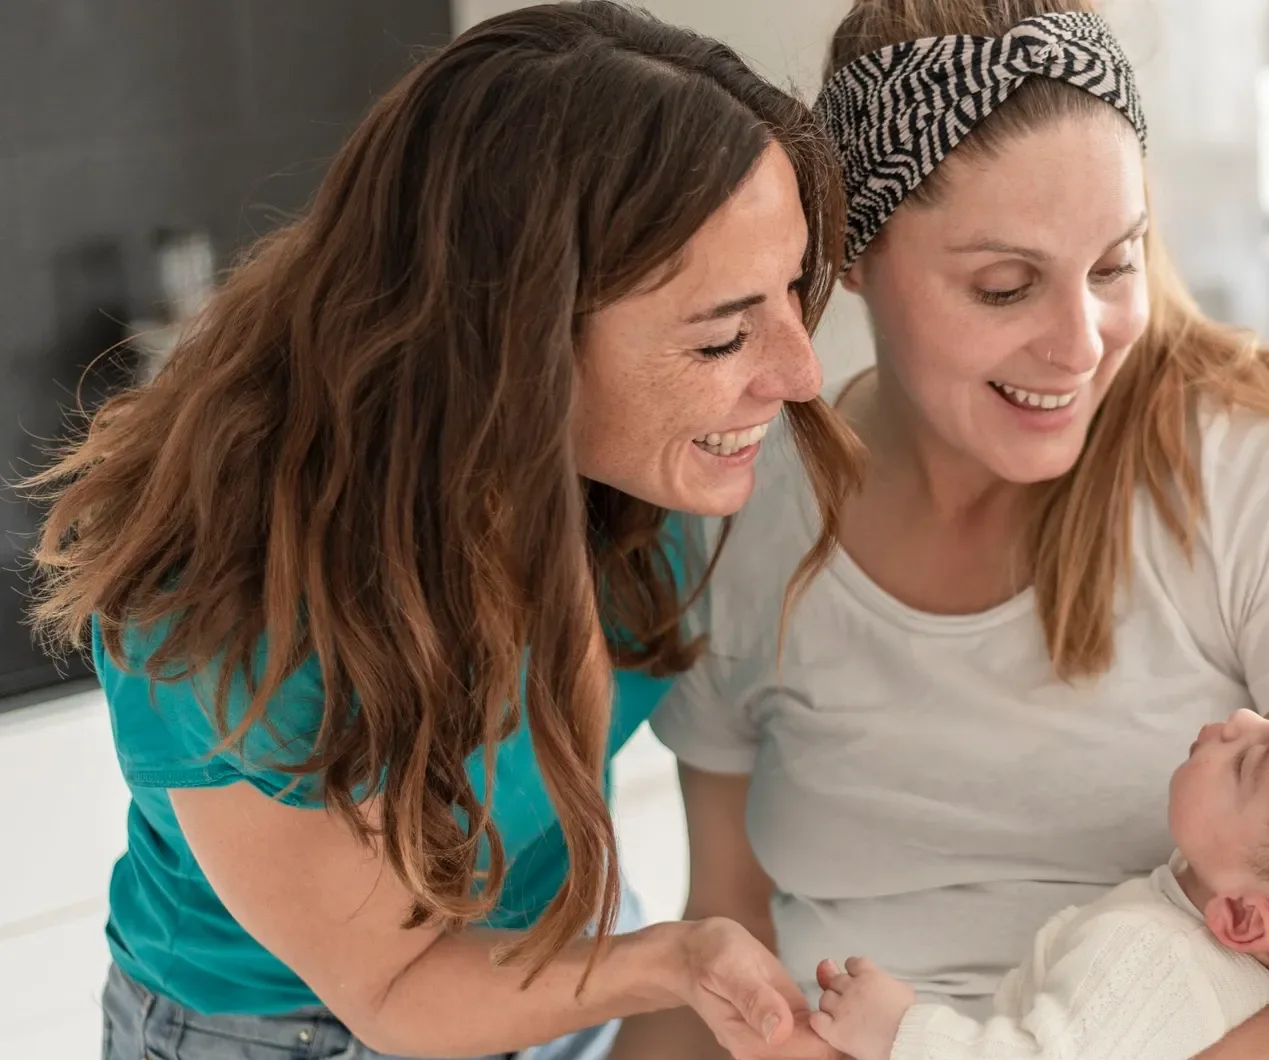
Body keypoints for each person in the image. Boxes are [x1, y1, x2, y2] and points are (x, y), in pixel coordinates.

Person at [616, 2, 1269, 1058]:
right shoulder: (745, 506)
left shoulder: (1250, 460)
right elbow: (724, 930)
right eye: (1005, 285)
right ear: (849, 254)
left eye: (1115, 264)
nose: (1081, 344)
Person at [27, 5, 859, 1058]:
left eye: (792, 292)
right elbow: (402, 985)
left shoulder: (637, 480)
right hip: (289, 1030)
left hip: (553, 964)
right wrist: (674, 960)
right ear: (516, 336)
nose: (798, 374)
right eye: (726, 334)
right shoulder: (230, 602)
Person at [807, 704, 1269, 1060]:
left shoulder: (1150, 958)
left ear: (1241, 919)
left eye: (1250, 763)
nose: (1241, 719)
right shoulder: (1234, 957)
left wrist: (898, 1028)